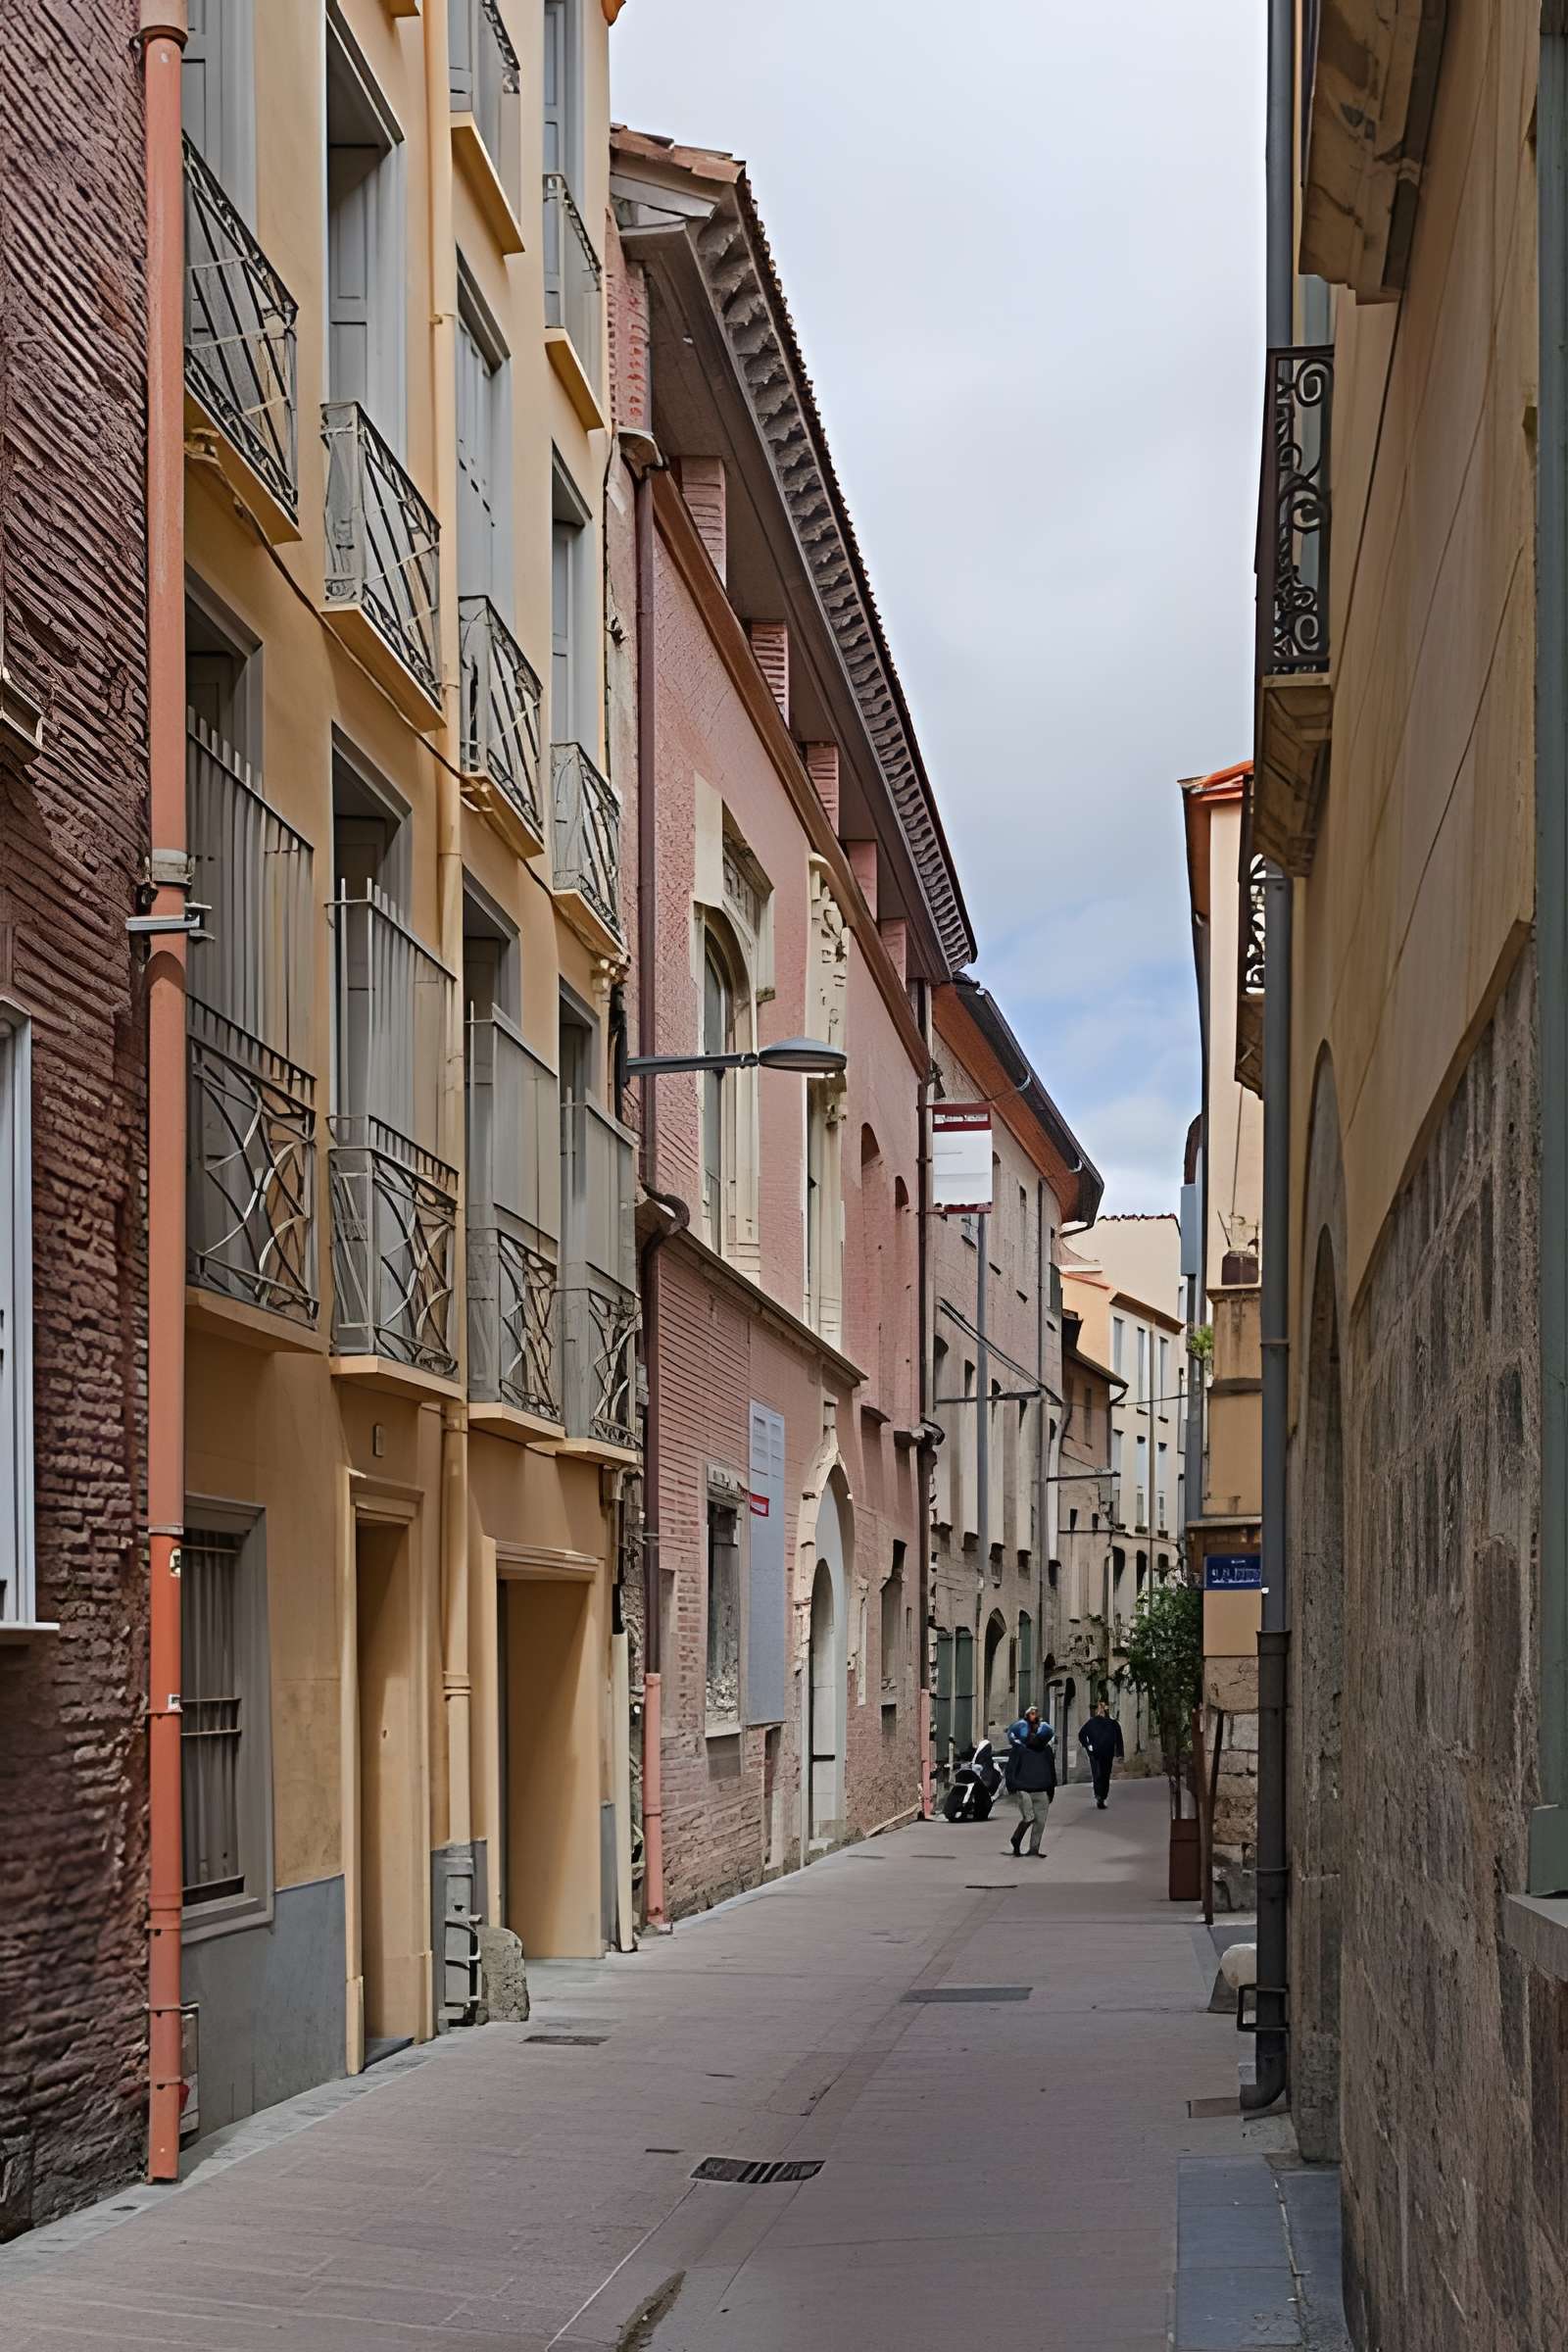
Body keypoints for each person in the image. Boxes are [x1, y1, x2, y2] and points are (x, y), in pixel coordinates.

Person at [1004, 1717, 1056, 1857]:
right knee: (1029, 1817)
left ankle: (1034, 1849)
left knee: (1040, 1822)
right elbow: (1011, 1769)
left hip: (1042, 1789)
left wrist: (1051, 1790)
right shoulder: (1020, 1748)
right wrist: (1012, 1786)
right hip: (1023, 1789)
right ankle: (1016, 1839)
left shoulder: (1046, 1750)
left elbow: (1051, 1769)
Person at [1079, 1699, 1125, 1808]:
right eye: (1099, 1707)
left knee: (1105, 1775)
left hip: (1107, 1753)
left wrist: (1119, 1753)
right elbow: (1081, 1734)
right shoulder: (1092, 1723)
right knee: (1097, 1774)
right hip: (1095, 1753)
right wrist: (1088, 1745)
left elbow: (1119, 1739)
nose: (1101, 1710)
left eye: (1103, 1707)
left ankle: (1103, 1796)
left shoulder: (1113, 1724)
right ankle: (1099, 1796)